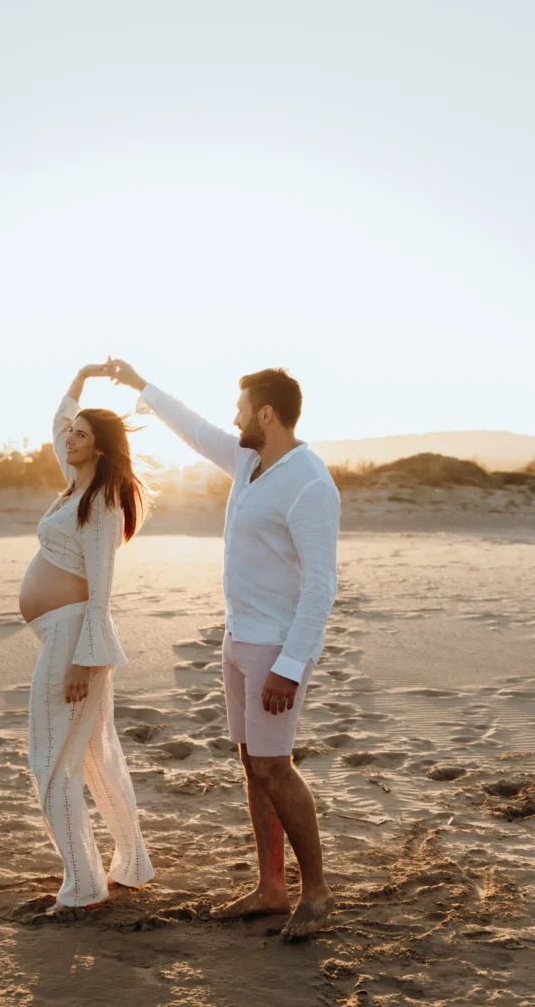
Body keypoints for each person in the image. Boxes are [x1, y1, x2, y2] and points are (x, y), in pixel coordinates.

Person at [108, 359, 339, 939]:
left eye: (242, 409)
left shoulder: (310, 481)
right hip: (237, 639)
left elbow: (321, 586)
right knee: (251, 766)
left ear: (267, 414)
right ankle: (271, 888)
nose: (233, 419)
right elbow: (193, 427)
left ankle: (315, 893)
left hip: (276, 649)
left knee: (273, 767)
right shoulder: (248, 461)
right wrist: (141, 387)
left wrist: (288, 666)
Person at [19, 362, 154, 912]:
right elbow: (57, 420)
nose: (70, 438)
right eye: (71, 433)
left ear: (99, 449)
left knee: (50, 760)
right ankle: (133, 864)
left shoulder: (101, 501)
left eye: (81, 435)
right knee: (95, 756)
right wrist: (82, 376)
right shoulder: (75, 482)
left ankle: (83, 886)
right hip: (66, 634)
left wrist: (83, 660)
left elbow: (102, 590)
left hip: (77, 638)